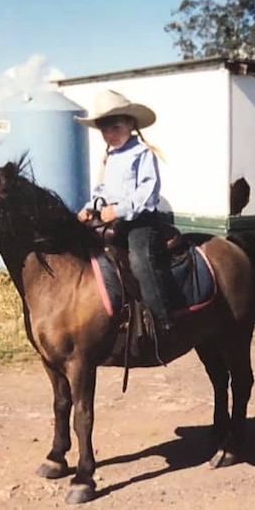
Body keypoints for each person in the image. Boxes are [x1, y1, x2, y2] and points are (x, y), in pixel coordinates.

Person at [75, 89, 175, 336]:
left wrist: (119, 210)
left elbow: (148, 193)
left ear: (130, 124)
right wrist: (92, 207)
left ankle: (163, 321)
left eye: (116, 128)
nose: (110, 135)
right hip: (112, 220)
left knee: (141, 260)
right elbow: (102, 189)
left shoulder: (143, 154)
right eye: (105, 130)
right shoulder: (110, 157)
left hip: (141, 222)